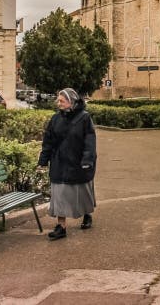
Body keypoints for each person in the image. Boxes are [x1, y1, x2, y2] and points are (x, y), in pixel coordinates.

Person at [37, 88, 97, 240]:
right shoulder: (55, 119)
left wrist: (87, 160)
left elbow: (89, 141)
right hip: (59, 163)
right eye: (58, 100)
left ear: (71, 102)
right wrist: (43, 160)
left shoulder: (84, 118)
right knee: (59, 194)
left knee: (82, 192)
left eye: (62, 101)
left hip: (78, 163)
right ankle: (61, 227)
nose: (58, 103)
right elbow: (48, 141)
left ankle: (86, 215)